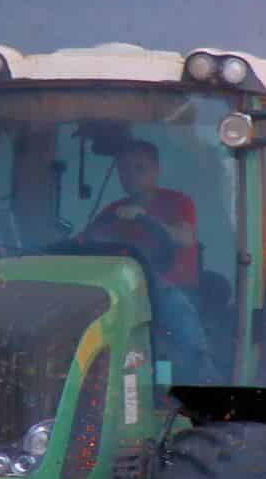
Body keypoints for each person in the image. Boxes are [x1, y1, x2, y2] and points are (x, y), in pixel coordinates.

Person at [83, 140, 216, 380]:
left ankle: (204, 380)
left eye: (139, 169)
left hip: (177, 292)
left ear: (156, 171)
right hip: (125, 296)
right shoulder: (113, 212)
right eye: (124, 170)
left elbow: (185, 238)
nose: (130, 176)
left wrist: (147, 219)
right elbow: (86, 240)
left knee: (179, 326)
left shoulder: (178, 203)